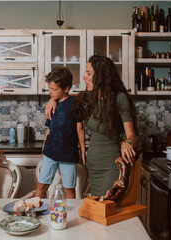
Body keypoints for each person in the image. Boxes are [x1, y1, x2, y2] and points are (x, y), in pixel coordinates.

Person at [46, 55, 137, 197]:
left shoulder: (119, 98)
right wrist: (53, 100)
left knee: (108, 206)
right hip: (93, 163)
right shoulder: (89, 97)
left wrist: (127, 142)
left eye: (88, 73)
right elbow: (65, 97)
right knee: (97, 209)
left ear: (101, 76)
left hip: (111, 164)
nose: (83, 77)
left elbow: (131, 134)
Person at [36, 67, 86, 199]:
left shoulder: (75, 104)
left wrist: (83, 151)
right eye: (49, 89)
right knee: (41, 186)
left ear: (66, 88)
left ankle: (72, 217)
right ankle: (35, 212)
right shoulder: (52, 105)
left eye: (54, 90)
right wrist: (43, 148)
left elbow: (80, 129)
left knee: (69, 189)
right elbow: (49, 129)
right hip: (50, 152)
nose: (50, 93)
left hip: (68, 154)